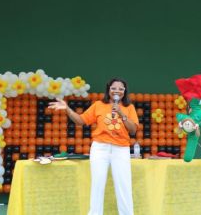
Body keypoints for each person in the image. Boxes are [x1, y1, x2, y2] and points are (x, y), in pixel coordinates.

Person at [49, 78, 138, 215]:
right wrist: (67, 109)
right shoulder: (98, 105)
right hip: (100, 148)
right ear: (108, 89)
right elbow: (80, 121)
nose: (117, 91)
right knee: (97, 185)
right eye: (114, 88)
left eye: (121, 89)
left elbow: (133, 130)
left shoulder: (129, 108)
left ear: (125, 92)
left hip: (121, 149)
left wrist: (121, 113)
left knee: (124, 186)